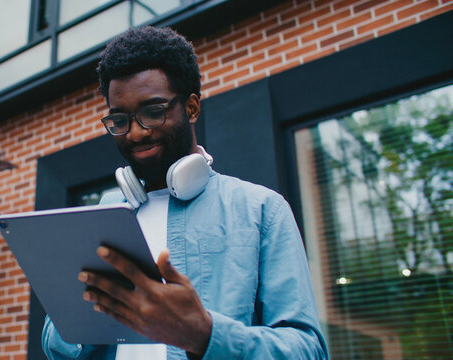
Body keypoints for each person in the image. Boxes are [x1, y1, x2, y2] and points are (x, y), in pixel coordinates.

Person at [42, 26, 328, 359]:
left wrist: (204, 335)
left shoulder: (261, 209)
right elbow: (56, 346)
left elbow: (308, 351)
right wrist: (84, 311)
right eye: (120, 120)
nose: (135, 133)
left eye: (153, 112)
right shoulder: (100, 215)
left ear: (191, 108)